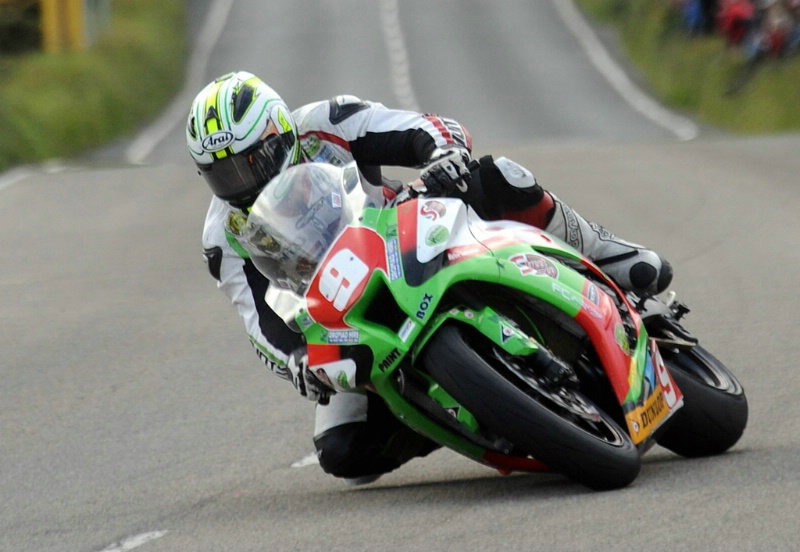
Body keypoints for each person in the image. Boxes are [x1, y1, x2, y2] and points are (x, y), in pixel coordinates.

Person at [187, 70, 673, 484]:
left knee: (496, 175)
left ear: (282, 133)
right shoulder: (223, 236)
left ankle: (608, 253)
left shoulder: (326, 123)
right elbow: (259, 323)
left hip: (417, 231)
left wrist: (443, 157)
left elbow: (421, 129)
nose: (244, 182)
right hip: (352, 310)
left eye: (251, 161)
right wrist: (296, 360)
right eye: (223, 175)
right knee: (343, 453)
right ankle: (467, 409)